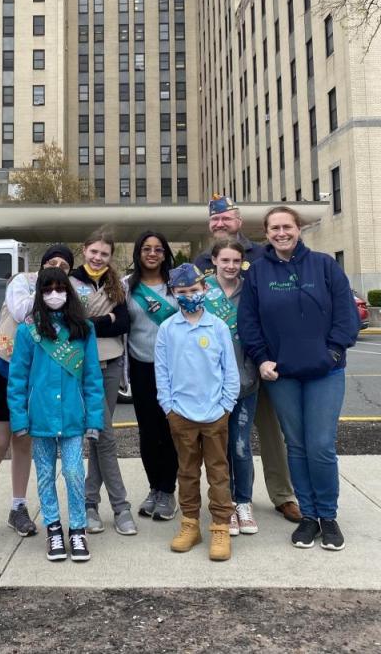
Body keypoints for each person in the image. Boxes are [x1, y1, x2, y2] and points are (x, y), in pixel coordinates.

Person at [238, 205, 360, 551]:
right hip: (282, 375)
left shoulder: (324, 266)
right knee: (296, 445)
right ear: (266, 233)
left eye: (286, 227)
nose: (281, 233)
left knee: (320, 445)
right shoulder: (258, 273)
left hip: (326, 372)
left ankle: (328, 516)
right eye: (274, 228)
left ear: (298, 228)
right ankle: (308, 516)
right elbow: (249, 322)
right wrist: (262, 358)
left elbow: (346, 315)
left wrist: (333, 352)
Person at [194, 194, 301, 525]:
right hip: (221, 369)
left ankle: (283, 495)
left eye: (226, 217)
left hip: (264, 360)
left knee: (272, 432)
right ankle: (232, 499)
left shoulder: (263, 253)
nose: (220, 223)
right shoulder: (201, 261)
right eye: (215, 219)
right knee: (226, 440)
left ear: (239, 221)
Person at [0, 244, 75, 541]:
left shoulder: (64, 294)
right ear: (42, 265)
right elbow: (18, 311)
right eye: (52, 263)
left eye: (64, 267)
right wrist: (47, 291)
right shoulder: (22, 282)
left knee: (23, 443)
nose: (57, 269)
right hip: (3, 369)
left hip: (35, 377)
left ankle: (18, 507)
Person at [7, 268, 104, 562]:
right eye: (47, 289)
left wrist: (94, 419)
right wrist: (19, 419)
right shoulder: (28, 331)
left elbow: (93, 378)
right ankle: (53, 528)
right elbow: (17, 379)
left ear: (68, 292)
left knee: (74, 473)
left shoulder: (84, 329)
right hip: (40, 418)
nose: (53, 294)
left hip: (73, 417)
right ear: (39, 294)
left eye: (59, 288)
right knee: (45, 475)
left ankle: (77, 528)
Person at [155, 263, 240, 562]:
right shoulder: (167, 329)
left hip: (215, 413)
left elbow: (230, 371)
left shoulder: (218, 327)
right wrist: (169, 407)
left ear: (205, 289)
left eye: (194, 289)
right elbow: (161, 372)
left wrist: (226, 406)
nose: (189, 295)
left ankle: (220, 526)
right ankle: (190, 524)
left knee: (218, 472)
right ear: (173, 293)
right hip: (181, 414)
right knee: (187, 472)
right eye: (182, 291)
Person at [70, 228, 136, 536]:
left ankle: (90, 504)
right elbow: (72, 325)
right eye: (94, 251)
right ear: (84, 249)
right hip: (81, 365)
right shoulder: (69, 282)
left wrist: (96, 322)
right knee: (105, 435)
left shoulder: (115, 284)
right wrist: (104, 320)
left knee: (98, 434)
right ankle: (121, 507)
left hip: (112, 362)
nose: (98, 257)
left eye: (104, 254)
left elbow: (123, 322)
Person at [204, 240, 260, 536]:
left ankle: (243, 501)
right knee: (218, 449)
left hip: (245, 381)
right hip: (210, 386)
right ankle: (224, 504)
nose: (230, 266)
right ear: (214, 260)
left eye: (236, 261)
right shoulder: (202, 291)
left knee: (240, 445)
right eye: (225, 260)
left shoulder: (250, 290)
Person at [124, 230, 180, 521]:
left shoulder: (177, 284)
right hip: (141, 366)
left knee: (171, 430)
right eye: (146, 248)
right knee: (148, 432)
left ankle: (168, 490)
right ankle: (154, 488)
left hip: (175, 368)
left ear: (165, 254)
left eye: (158, 249)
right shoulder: (126, 287)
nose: (152, 254)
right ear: (138, 253)